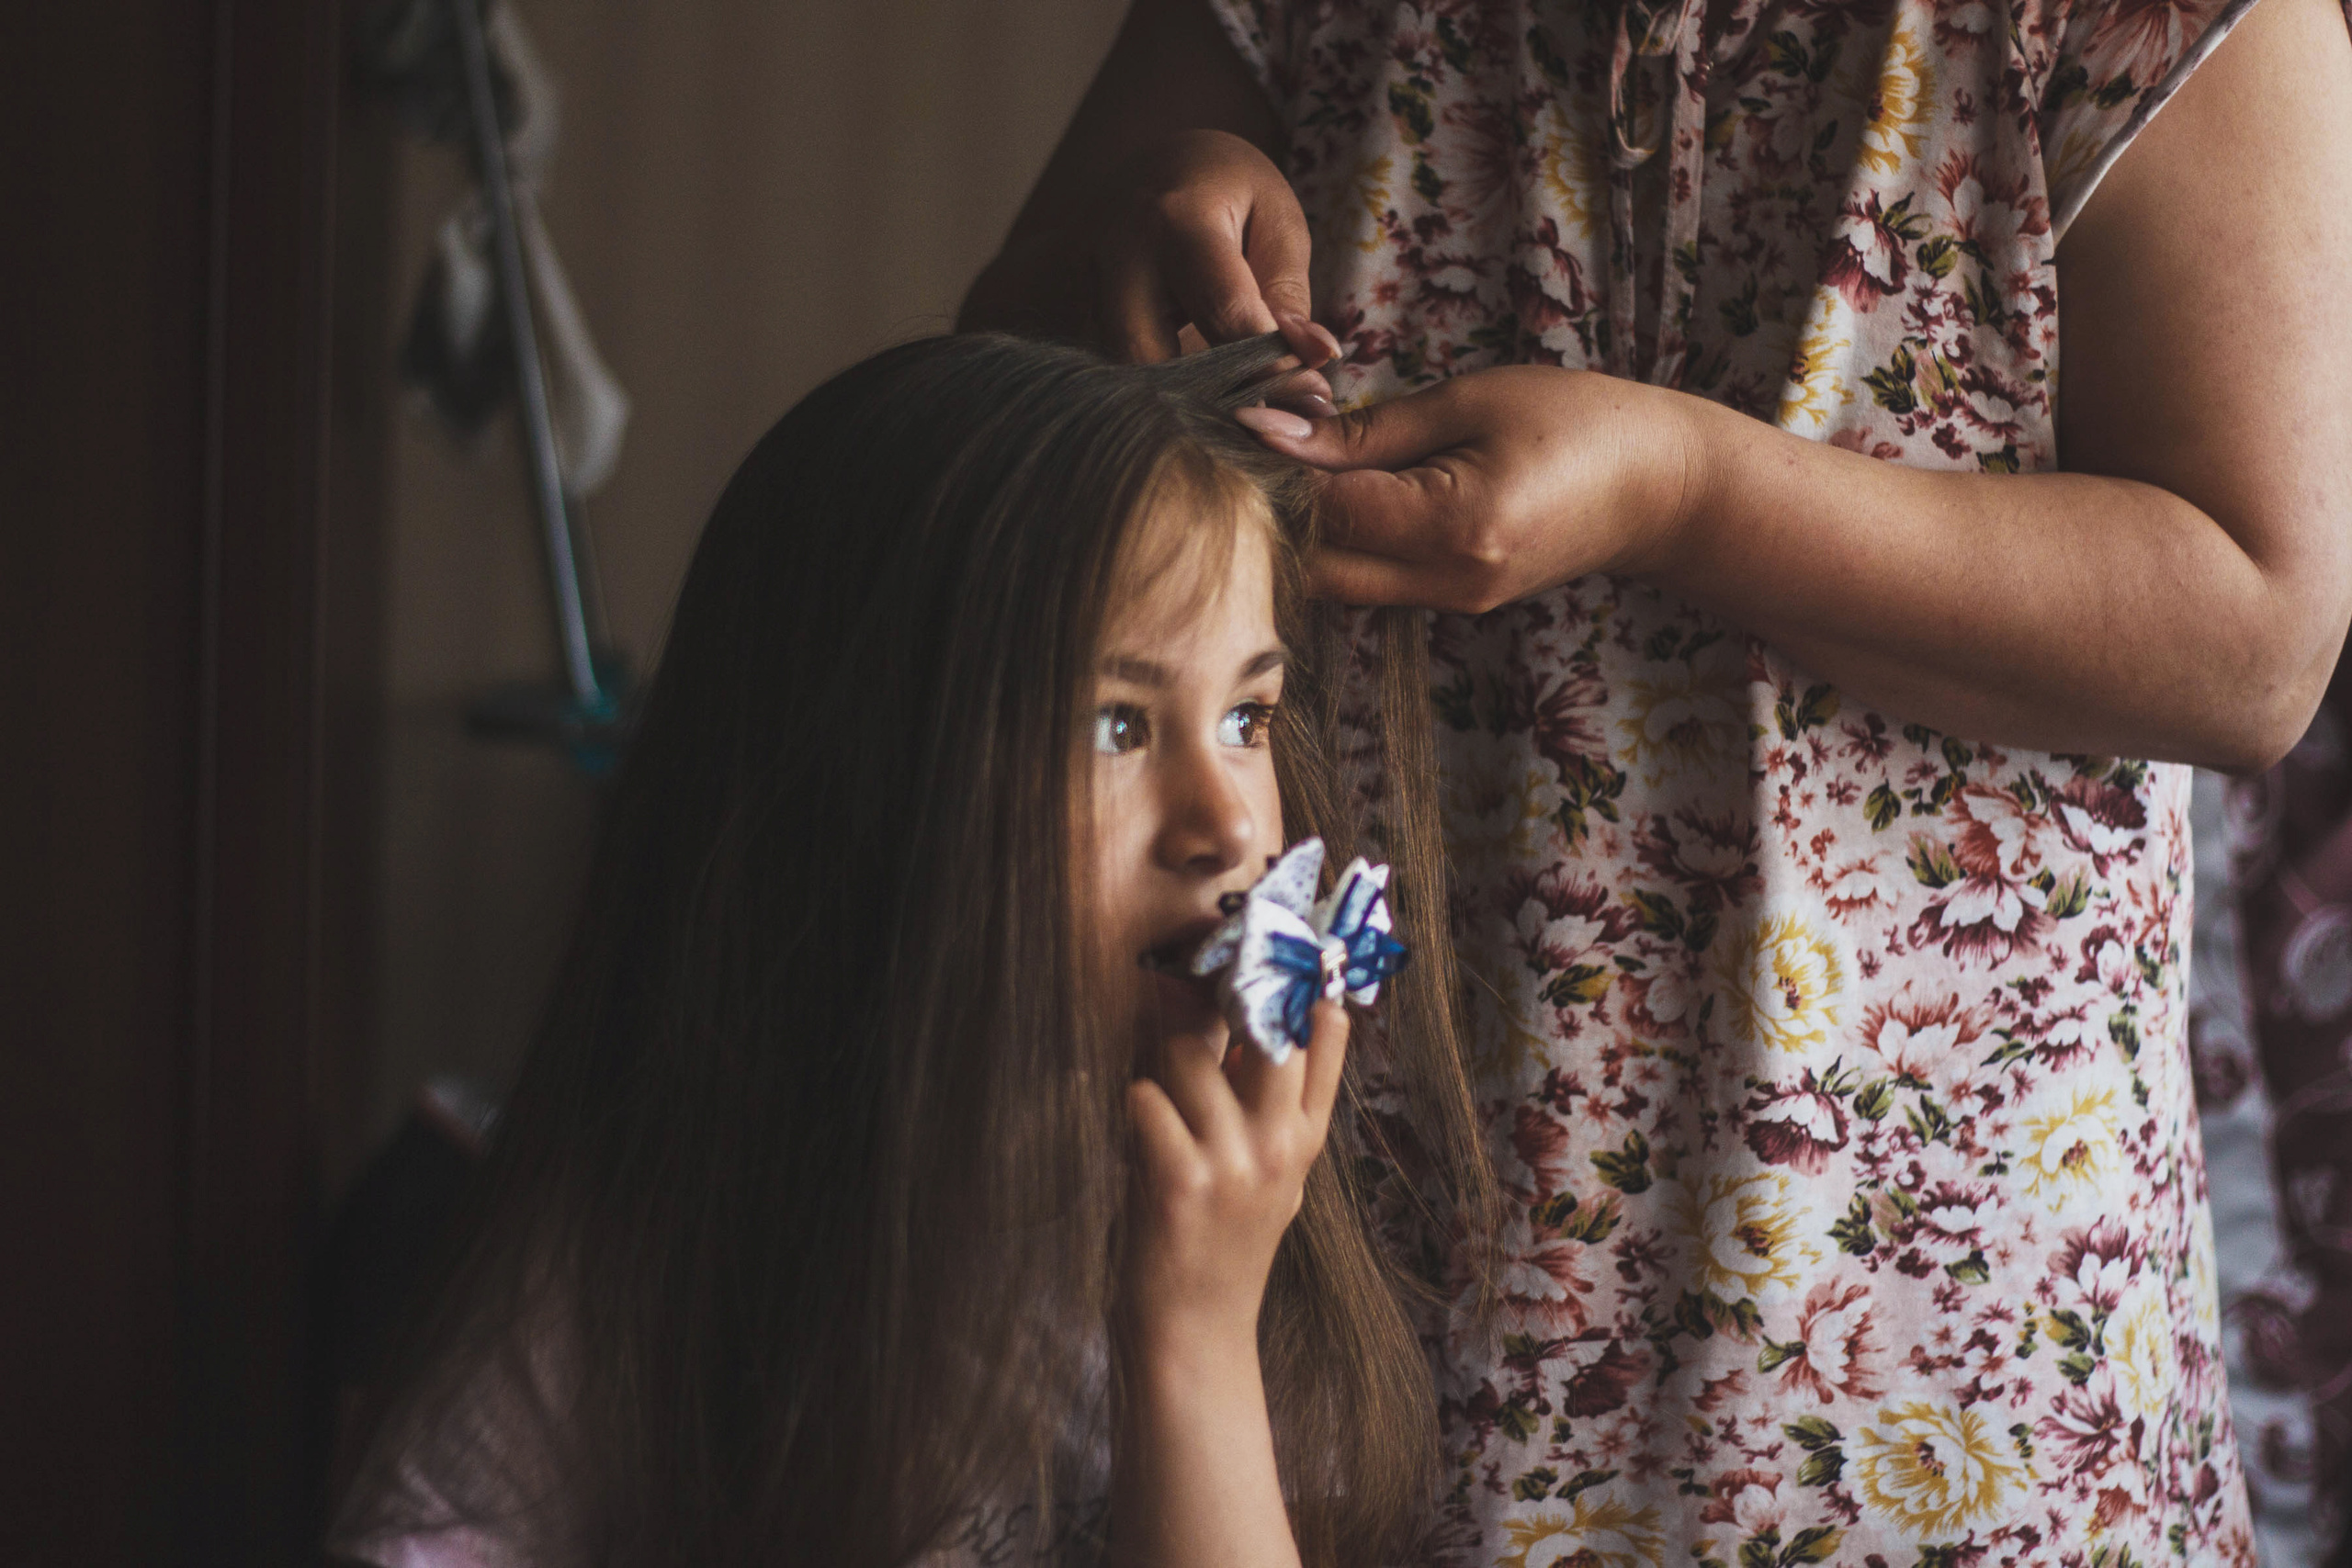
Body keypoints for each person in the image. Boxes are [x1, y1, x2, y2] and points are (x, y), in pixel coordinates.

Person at [961, 0, 2352, 1560]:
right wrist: (1164, 195)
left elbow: (2255, 634)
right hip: (1341, 1252)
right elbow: (983, 420)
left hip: (1914, 1331)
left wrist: (1683, 493)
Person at [327, 333, 1497, 1568]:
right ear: (861, 783)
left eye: (1246, 715)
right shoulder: (643, 1267)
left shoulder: (1257, 1233)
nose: (1228, 826)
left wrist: (1197, 1327)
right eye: (1113, 723)